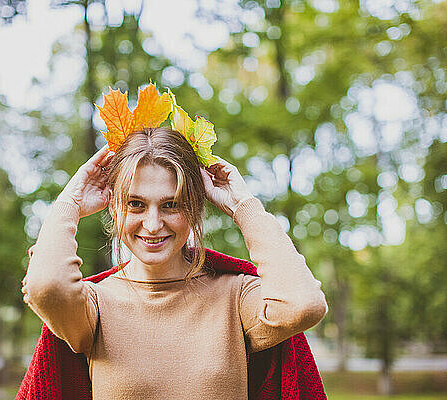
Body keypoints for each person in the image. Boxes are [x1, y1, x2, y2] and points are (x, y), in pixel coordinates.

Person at [20, 127, 328, 399]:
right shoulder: (94, 305)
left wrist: (242, 205)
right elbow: (45, 286)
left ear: (193, 208)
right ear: (113, 205)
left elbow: (303, 306)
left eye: (171, 205)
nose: (153, 224)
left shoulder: (235, 296)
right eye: (136, 204)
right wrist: (70, 203)